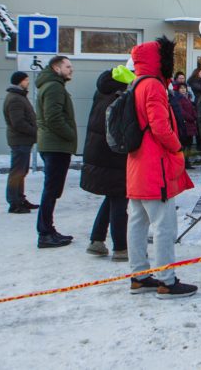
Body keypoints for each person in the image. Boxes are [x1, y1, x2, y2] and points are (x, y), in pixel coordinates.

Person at [126, 36, 197, 298]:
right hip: (155, 166)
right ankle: (167, 279)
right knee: (164, 226)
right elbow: (159, 125)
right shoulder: (154, 86)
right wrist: (176, 146)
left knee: (137, 222)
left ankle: (139, 275)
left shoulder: (136, 84)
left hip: (137, 165)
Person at [80, 70, 129, 261]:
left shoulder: (102, 95)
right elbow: (120, 132)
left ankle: (97, 240)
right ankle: (120, 248)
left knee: (111, 197)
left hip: (98, 154)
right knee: (119, 201)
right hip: (113, 157)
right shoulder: (118, 100)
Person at [35, 55, 77, 249]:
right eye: (67, 66)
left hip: (52, 144)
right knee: (51, 190)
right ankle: (45, 233)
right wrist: (70, 135)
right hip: (56, 146)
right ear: (56, 67)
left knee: (51, 189)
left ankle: (48, 230)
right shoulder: (54, 87)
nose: (71, 70)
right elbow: (54, 118)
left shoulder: (51, 85)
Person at [3, 71, 39, 214]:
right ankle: (14, 203)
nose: (28, 82)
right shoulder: (15, 99)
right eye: (26, 80)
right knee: (17, 172)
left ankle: (20, 199)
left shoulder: (18, 97)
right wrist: (34, 131)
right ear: (20, 82)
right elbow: (18, 123)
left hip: (22, 140)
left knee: (21, 171)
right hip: (20, 140)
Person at [174, 83, 197, 157]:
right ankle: (184, 161)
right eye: (181, 88)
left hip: (191, 123)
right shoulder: (178, 99)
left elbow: (192, 108)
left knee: (189, 144)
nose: (183, 90)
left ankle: (187, 160)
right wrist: (191, 118)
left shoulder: (188, 97)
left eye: (184, 88)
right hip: (184, 123)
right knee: (184, 144)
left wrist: (195, 116)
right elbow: (181, 111)